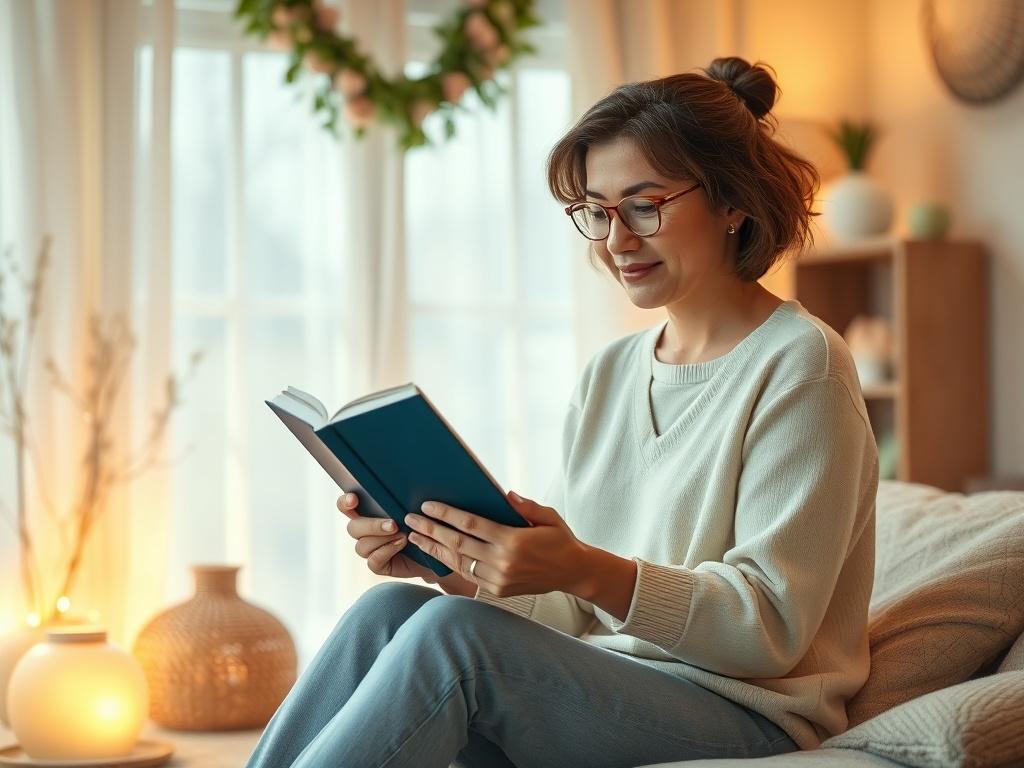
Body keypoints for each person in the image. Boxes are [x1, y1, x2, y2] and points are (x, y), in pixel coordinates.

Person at [246, 56, 878, 768]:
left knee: (457, 639)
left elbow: (772, 626)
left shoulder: (802, 363)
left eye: (645, 205)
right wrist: (449, 563)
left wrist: (583, 568)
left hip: (744, 713)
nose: (617, 240)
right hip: (611, 684)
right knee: (387, 614)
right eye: (597, 212)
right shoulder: (609, 374)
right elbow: (568, 617)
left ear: (732, 201)